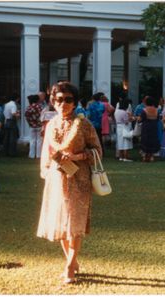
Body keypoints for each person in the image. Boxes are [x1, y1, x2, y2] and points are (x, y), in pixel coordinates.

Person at [37, 81, 102, 284]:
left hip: (78, 179)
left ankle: (69, 267)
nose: (63, 103)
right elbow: (46, 151)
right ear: (52, 101)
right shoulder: (51, 125)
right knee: (60, 223)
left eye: (68, 100)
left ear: (75, 102)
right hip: (56, 178)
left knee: (74, 222)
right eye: (58, 99)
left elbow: (97, 151)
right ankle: (72, 261)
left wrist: (78, 157)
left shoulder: (83, 124)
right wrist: (46, 170)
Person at [138, 96, 160, 162]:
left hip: (146, 127)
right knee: (152, 140)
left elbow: (140, 119)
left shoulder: (144, 110)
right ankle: (151, 156)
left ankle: (145, 157)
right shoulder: (156, 110)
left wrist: (137, 118)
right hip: (154, 127)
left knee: (145, 141)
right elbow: (158, 118)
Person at [25, 94, 43, 159]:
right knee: (39, 140)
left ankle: (31, 155)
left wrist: (30, 123)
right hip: (39, 125)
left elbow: (26, 116)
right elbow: (42, 115)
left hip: (32, 125)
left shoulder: (29, 107)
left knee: (32, 140)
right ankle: (38, 155)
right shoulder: (39, 106)